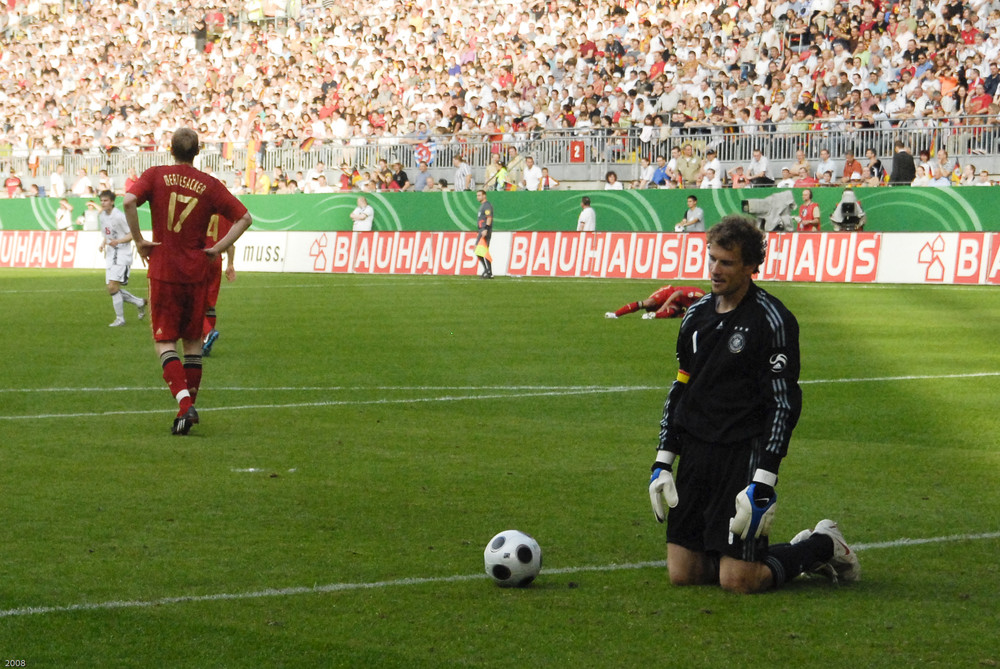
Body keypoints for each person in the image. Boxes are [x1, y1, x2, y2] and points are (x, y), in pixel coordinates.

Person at [648, 215, 860, 595]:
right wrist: (663, 461)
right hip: (696, 451)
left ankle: (822, 544)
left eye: (726, 263)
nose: (714, 270)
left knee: (739, 581)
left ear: (750, 267)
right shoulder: (695, 316)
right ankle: (733, 550)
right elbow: (680, 388)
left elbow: (783, 404)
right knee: (684, 573)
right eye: (711, 258)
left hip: (742, 453)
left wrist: (764, 479)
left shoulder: (773, 320)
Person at [123, 127, 252, 436]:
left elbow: (128, 201)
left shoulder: (155, 174)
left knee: (165, 341)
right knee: (193, 343)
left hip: (164, 267)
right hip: (196, 270)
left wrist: (140, 241)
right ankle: (187, 411)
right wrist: (218, 249)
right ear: (198, 151)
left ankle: (184, 406)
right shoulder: (210, 184)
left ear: (171, 149)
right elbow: (245, 218)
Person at [98, 190, 146, 327]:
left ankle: (120, 319)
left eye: (106, 200)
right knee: (111, 288)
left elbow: (132, 234)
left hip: (122, 255)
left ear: (112, 202)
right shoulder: (102, 216)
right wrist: (103, 243)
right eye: (101, 200)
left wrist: (118, 241)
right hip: (111, 255)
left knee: (113, 287)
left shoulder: (119, 216)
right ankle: (139, 302)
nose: (103, 203)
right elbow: (106, 234)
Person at [201, 214, 236, 357]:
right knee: (209, 304)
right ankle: (206, 343)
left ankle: (209, 332)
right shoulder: (225, 214)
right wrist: (230, 264)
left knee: (191, 302)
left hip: (200, 257)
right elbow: (231, 244)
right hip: (216, 260)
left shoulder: (199, 204)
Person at [605, 284, 706, 319]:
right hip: (669, 292)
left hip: (676, 303)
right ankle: (615, 314)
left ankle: (652, 316)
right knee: (647, 303)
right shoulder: (699, 295)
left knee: (672, 312)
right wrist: (662, 308)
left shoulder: (702, 308)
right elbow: (677, 293)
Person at [473, 190, 494, 279]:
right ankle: (488, 271)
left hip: (484, 230)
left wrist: (486, 229)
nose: (478, 197)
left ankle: (488, 271)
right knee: (479, 250)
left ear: (484, 196)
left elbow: (489, 218)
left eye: (479, 195)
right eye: (477, 195)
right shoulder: (482, 206)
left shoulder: (487, 206)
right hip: (481, 230)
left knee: (480, 250)